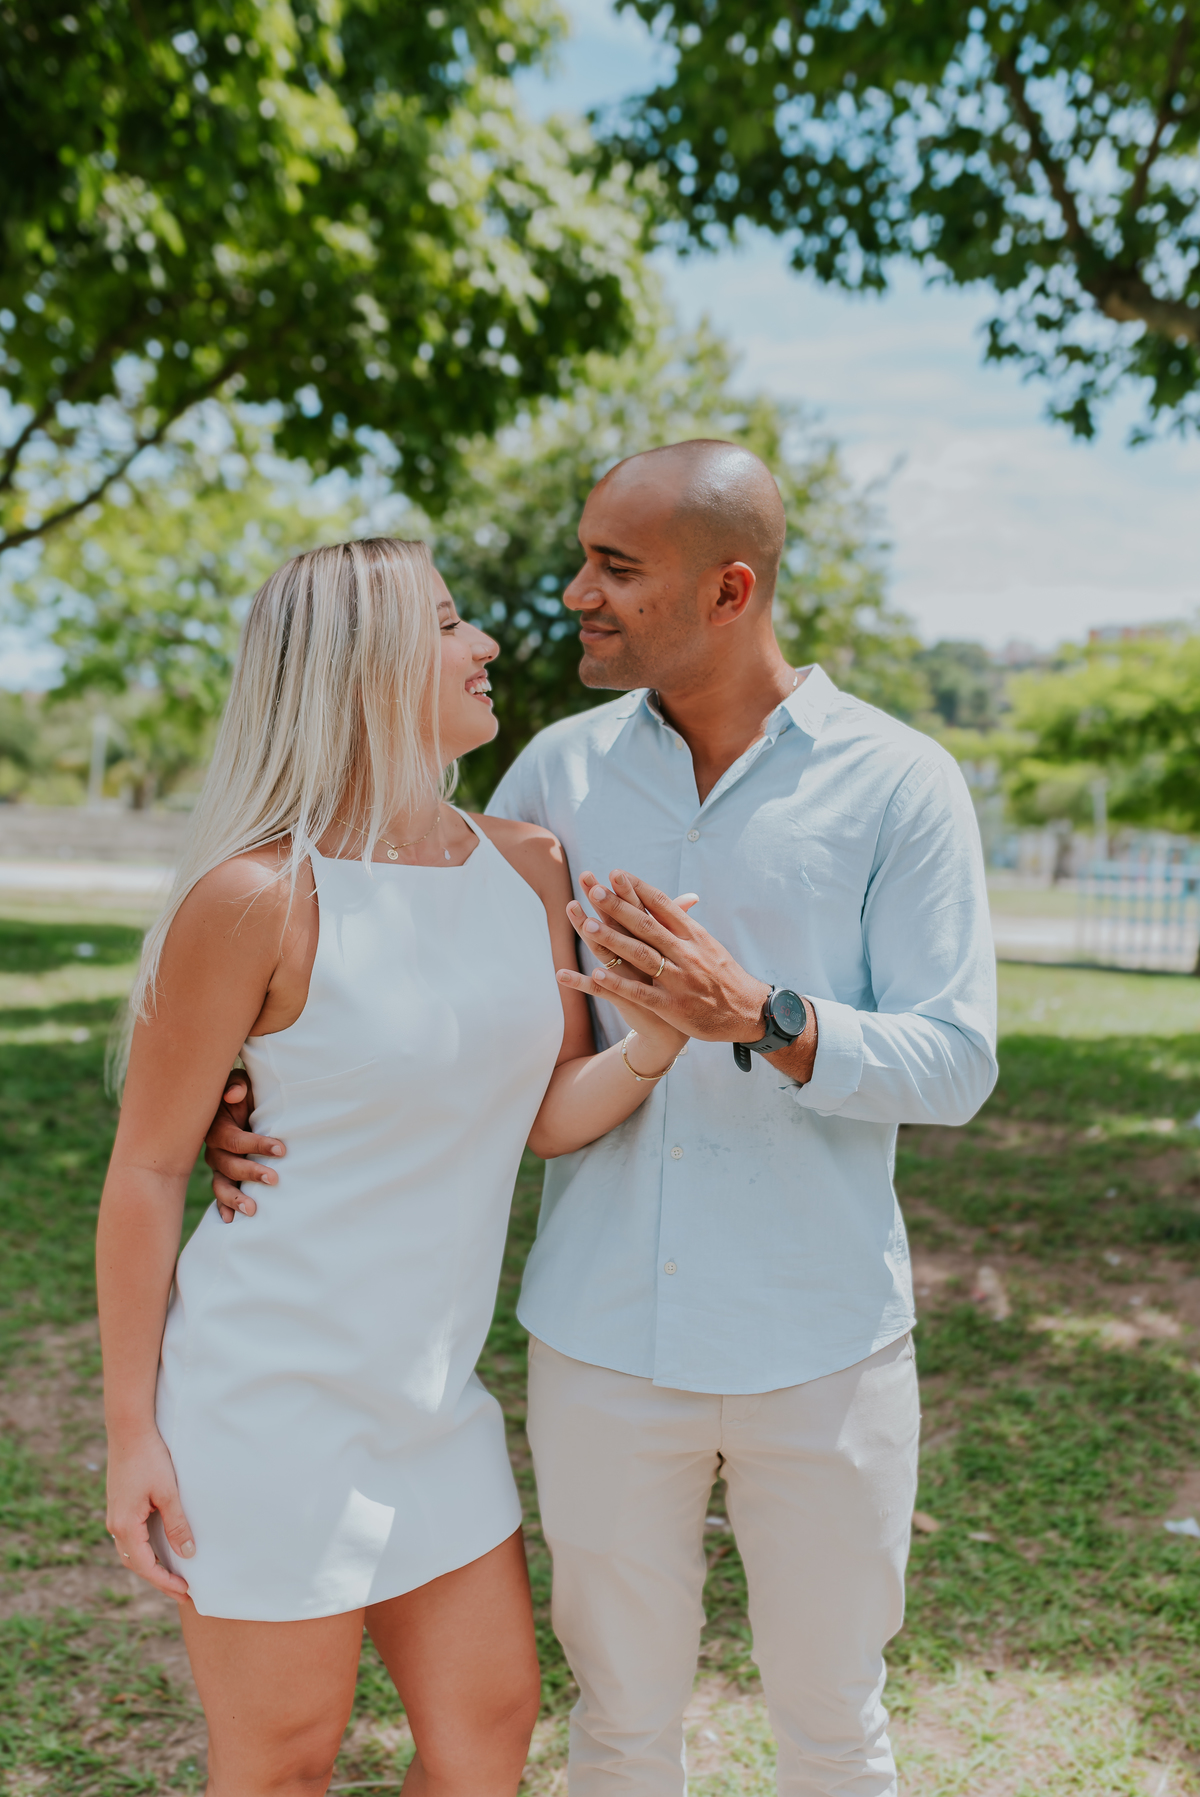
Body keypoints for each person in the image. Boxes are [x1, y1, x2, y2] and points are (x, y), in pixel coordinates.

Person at [207, 444, 997, 1797]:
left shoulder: (900, 780)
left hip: (826, 1344)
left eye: (614, 568)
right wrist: (256, 1092)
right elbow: (429, 984)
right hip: (601, 1341)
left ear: (729, 589)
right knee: (618, 1727)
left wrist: (767, 1016)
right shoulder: (550, 780)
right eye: (584, 559)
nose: (575, 593)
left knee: (835, 1724)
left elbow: (958, 1063)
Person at [98, 537, 692, 1797]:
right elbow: (147, 1169)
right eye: (449, 622)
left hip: (434, 1404)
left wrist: (656, 1044)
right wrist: (129, 1433)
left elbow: (544, 1113)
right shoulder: (255, 895)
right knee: (282, 1762)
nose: (487, 643)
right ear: (357, 664)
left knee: (487, 1740)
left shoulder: (527, 863)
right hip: (264, 1401)